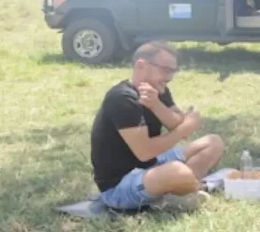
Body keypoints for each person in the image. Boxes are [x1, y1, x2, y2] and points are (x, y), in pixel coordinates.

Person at [90, 40, 224, 211]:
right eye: (166, 70)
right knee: (177, 171)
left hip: (151, 165)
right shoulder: (122, 99)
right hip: (120, 183)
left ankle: (180, 189)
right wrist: (184, 129)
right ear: (141, 65)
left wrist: (156, 105)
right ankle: (186, 187)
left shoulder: (158, 89)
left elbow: (176, 122)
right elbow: (145, 152)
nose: (170, 77)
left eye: (173, 71)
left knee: (213, 142)